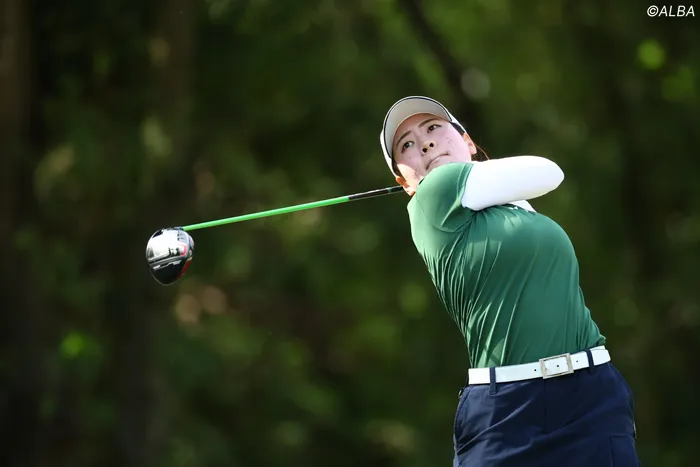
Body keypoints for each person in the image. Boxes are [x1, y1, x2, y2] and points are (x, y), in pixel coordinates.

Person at [379, 96, 641, 466]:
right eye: (406, 145)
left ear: (467, 140)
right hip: (510, 408)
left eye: (434, 127)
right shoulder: (433, 196)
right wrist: (457, 165)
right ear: (404, 183)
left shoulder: (516, 208)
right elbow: (548, 171)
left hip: (592, 393)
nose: (424, 143)